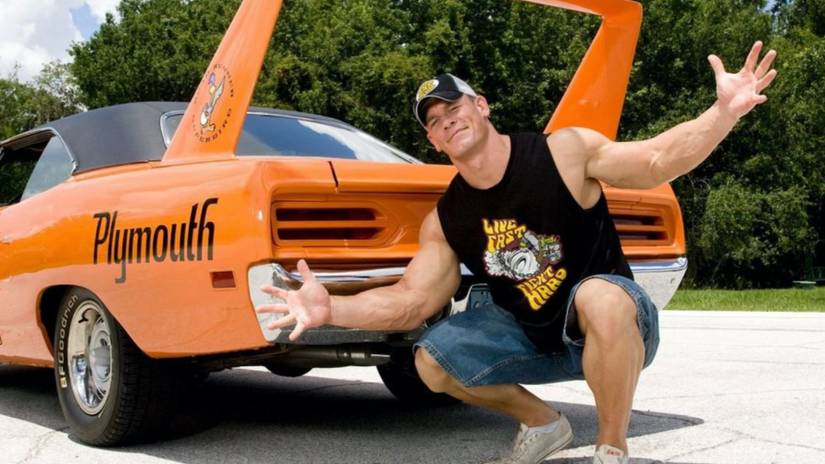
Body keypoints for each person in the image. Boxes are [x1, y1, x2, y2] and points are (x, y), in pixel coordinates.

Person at [256, 41, 777, 464]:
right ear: (434, 142)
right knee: (431, 361)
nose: (446, 121)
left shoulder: (563, 152)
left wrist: (722, 113)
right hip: (532, 335)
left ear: (480, 107)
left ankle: (611, 449)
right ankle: (544, 424)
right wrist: (332, 310)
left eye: (453, 108)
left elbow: (656, 159)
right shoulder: (448, 215)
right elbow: (413, 301)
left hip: (615, 325)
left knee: (599, 295)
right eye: (434, 121)